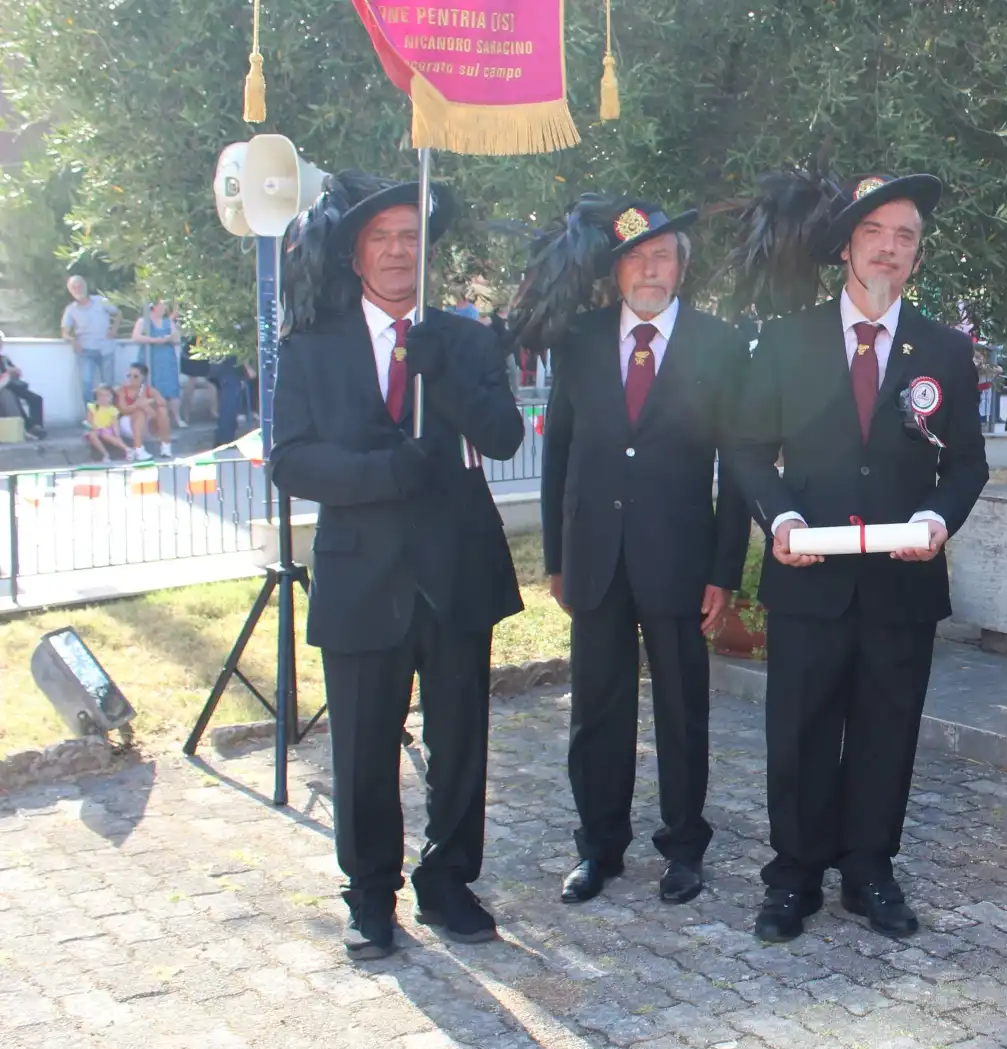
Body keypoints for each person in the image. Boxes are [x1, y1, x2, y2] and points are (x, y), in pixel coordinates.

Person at [268, 170, 525, 962]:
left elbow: (506, 436)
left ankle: (448, 882)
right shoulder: (309, 348)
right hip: (360, 577)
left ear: (427, 254)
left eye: (410, 238)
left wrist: (437, 371)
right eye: (381, 238)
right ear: (354, 255)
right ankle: (370, 895)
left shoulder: (469, 340)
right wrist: (383, 476)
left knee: (461, 744)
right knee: (364, 747)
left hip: (456, 574)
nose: (396, 251)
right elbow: (290, 460)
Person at [732, 169, 989, 943]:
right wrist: (776, 518)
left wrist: (941, 521)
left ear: (917, 254)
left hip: (900, 582)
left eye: (905, 236)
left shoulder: (943, 349)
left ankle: (869, 870)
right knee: (801, 729)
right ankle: (794, 876)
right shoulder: (787, 338)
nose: (889, 248)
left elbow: (968, 465)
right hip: (808, 575)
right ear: (847, 245)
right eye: (874, 233)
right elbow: (746, 449)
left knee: (887, 729)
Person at [512, 196, 751, 907]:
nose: (652, 269)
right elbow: (559, 451)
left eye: (664, 256)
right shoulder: (579, 338)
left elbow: (736, 469)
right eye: (638, 258)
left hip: (679, 560)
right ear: (618, 272)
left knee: (682, 712)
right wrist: (557, 554)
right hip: (594, 558)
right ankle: (599, 848)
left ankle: (684, 848)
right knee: (597, 712)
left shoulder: (719, 343)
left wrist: (724, 570)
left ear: (682, 269)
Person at [61, 275, 118, 401]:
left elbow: (118, 313)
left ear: (85, 286)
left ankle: (111, 417)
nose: (78, 290)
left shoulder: (100, 300)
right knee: (87, 385)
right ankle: (91, 417)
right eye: (74, 288)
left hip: (106, 348)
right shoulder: (70, 310)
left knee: (109, 385)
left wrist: (114, 329)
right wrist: (73, 340)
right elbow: (65, 333)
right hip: (85, 351)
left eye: (80, 286)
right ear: (70, 291)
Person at [132, 300, 185, 428]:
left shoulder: (168, 322)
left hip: (167, 358)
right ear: (154, 307)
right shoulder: (143, 321)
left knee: (172, 386)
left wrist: (169, 338)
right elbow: (135, 337)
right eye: (162, 305)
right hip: (151, 358)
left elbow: (177, 339)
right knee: (151, 386)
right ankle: (154, 419)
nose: (164, 308)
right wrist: (154, 340)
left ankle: (177, 417)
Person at [115, 362, 172, 460]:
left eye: (135, 376)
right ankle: (139, 450)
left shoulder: (149, 390)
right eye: (129, 376)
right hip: (127, 424)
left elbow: (162, 404)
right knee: (139, 412)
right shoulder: (122, 390)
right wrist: (139, 404)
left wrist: (152, 403)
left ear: (143, 377)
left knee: (162, 411)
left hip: (147, 425)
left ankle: (165, 446)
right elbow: (123, 410)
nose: (131, 379)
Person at [0, 336, 47, 438]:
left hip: (13, 385)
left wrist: (15, 371)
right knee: (11, 397)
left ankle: (37, 426)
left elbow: (18, 373)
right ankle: (28, 427)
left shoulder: (4, 358)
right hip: (4, 388)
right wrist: (6, 373)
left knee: (36, 398)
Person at [83, 385, 128, 459]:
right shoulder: (93, 407)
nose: (103, 398)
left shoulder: (113, 410)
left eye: (107, 395)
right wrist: (93, 427)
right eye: (100, 395)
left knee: (107, 435)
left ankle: (127, 449)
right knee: (92, 435)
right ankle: (105, 454)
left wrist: (117, 435)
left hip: (107, 430)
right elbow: (89, 421)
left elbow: (115, 424)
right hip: (94, 429)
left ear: (112, 397)